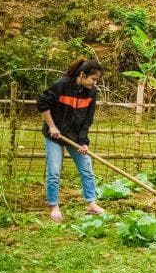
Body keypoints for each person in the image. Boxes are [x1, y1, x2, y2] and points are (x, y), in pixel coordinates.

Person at [37, 58, 105, 222]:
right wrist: (52, 126)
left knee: (87, 168)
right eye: (93, 79)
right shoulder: (61, 85)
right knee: (54, 171)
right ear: (82, 75)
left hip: (75, 137)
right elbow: (42, 103)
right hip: (56, 135)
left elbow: (87, 120)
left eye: (97, 80)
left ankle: (91, 204)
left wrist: (83, 142)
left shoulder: (91, 93)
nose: (95, 83)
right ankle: (54, 205)